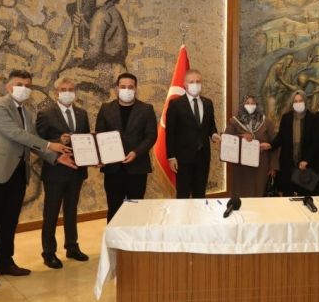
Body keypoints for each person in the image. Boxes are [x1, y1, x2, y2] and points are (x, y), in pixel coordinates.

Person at [0, 70, 71, 288]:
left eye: (28, 85)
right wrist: (50, 145)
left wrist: (55, 157)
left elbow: (32, 141)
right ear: (8, 86)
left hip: (18, 174)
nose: (24, 89)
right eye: (19, 84)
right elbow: (16, 134)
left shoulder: (27, 112)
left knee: (9, 221)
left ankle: (5, 263)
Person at [35, 77, 90, 269]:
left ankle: (72, 246)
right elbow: (38, 142)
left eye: (71, 89)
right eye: (64, 89)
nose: (68, 93)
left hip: (76, 170)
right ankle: (49, 252)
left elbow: (87, 140)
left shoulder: (82, 113)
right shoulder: (46, 113)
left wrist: (94, 157)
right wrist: (59, 140)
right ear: (56, 92)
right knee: (51, 213)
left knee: (71, 210)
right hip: (55, 171)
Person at [95, 73, 157, 222]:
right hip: (112, 169)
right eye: (123, 87)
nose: (126, 90)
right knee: (114, 208)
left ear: (135, 88)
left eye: (130, 87)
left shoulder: (146, 109)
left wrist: (136, 152)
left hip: (137, 167)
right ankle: (113, 237)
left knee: (135, 209)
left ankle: (133, 237)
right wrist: (99, 157)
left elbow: (151, 136)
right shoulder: (106, 109)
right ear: (117, 88)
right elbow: (99, 135)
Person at [166, 69, 220, 198]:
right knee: (183, 195)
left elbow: (211, 125)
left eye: (198, 81)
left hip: (203, 157)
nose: (195, 84)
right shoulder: (175, 104)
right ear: (185, 84)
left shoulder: (208, 103)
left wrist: (214, 134)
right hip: (183, 158)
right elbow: (170, 132)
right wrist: (171, 157)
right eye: (191, 82)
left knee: (200, 194)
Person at [224, 95, 276, 197]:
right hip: (241, 166)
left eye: (253, 103)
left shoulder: (266, 122)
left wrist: (273, 166)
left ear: (257, 105)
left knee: (258, 194)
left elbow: (274, 144)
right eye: (247, 103)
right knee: (241, 195)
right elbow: (227, 141)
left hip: (261, 166)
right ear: (242, 105)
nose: (250, 105)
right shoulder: (234, 122)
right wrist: (241, 138)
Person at [270, 90, 317, 196]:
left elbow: (315, 143)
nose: (298, 103)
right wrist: (270, 145)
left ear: (305, 101)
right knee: (288, 196)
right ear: (292, 103)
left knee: (304, 196)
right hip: (288, 164)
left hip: (305, 165)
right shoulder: (286, 118)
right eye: (295, 101)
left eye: (300, 101)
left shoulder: (313, 119)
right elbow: (280, 138)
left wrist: (306, 160)